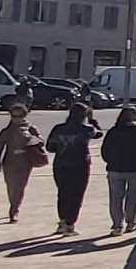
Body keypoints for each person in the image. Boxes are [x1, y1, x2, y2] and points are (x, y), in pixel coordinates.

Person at [45, 101, 101, 236]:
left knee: (63, 193)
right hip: (80, 165)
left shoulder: (58, 128)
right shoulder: (87, 129)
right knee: (76, 195)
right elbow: (99, 133)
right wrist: (92, 119)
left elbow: (50, 147)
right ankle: (70, 223)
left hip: (61, 164)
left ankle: (62, 221)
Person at [100, 103, 136, 234]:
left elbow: (104, 150)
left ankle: (117, 225)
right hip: (134, 167)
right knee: (133, 195)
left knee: (116, 197)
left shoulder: (113, 131)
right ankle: (131, 221)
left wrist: (109, 160)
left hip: (115, 167)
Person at [0, 100, 47, 224]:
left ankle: (14, 210)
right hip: (9, 162)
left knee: (20, 187)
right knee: (11, 186)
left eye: (20, 116)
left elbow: (41, 141)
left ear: (24, 116)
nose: (16, 119)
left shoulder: (31, 128)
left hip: (25, 162)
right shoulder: (7, 131)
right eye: (14, 116)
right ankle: (13, 204)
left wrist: (29, 137)